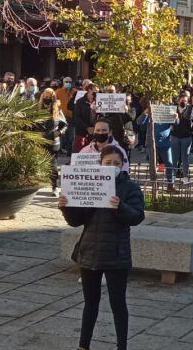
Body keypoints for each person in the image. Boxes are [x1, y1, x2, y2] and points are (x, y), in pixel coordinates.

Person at [59, 146, 145, 350]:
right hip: (90, 251)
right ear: (100, 164)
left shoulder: (130, 188)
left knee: (118, 303)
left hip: (116, 254)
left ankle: (121, 346)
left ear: (123, 165)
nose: (112, 167)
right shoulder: (91, 183)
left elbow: (137, 217)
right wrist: (66, 206)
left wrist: (120, 207)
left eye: (116, 163)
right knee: (90, 303)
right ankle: (83, 345)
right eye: (108, 163)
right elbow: (76, 220)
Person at [38, 88, 68, 195]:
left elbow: (64, 125)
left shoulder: (57, 109)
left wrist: (59, 132)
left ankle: (55, 186)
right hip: (40, 140)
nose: (47, 98)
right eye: (45, 96)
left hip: (53, 141)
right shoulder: (38, 108)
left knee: (53, 164)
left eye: (49, 96)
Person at [170, 91, 193, 181]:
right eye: (182, 100)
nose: (183, 102)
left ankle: (185, 177)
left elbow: (190, 117)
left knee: (185, 158)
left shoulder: (190, 108)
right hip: (175, 136)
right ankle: (172, 177)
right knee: (174, 158)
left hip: (186, 136)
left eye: (185, 100)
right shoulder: (173, 108)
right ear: (178, 100)